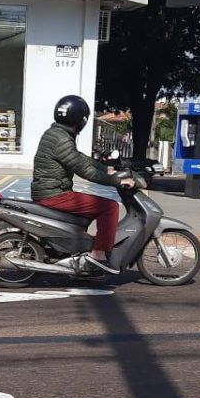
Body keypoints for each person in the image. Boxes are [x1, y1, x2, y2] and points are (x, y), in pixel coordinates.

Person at [32, 95, 135, 275]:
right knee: (109, 207)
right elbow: (85, 171)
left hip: (50, 191)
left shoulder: (56, 134)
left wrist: (107, 169)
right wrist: (118, 181)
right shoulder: (62, 139)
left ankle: (81, 252)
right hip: (54, 194)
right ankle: (98, 254)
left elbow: (80, 158)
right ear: (79, 119)